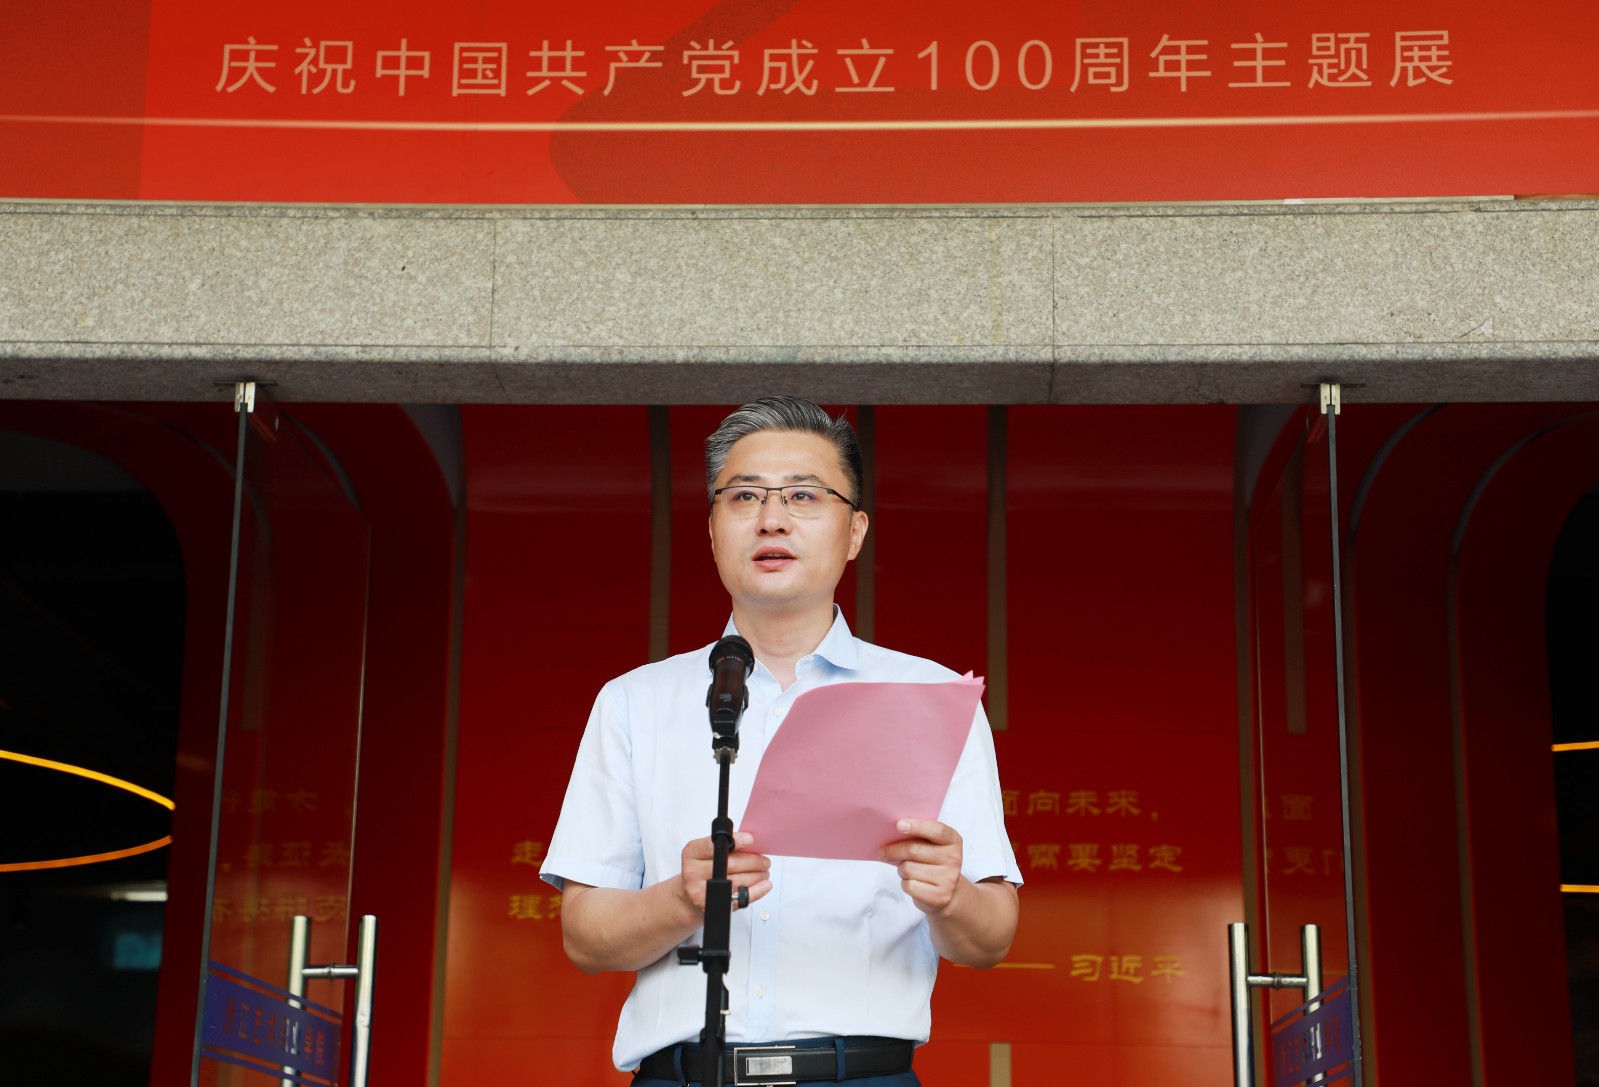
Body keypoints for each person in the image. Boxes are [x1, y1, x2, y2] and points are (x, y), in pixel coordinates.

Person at [541, 396, 1021, 1086]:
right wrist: (684, 897)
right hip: (684, 1073)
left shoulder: (930, 697)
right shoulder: (634, 702)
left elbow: (991, 936)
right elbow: (585, 937)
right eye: (744, 496)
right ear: (712, 529)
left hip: (862, 1076)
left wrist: (950, 895)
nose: (772, 518)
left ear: (854, 531)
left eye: (803, 495)